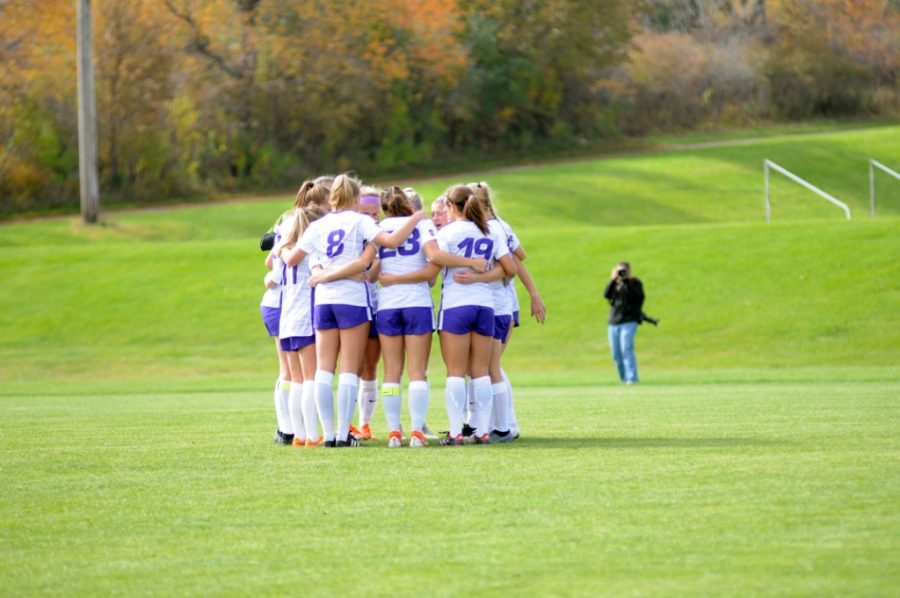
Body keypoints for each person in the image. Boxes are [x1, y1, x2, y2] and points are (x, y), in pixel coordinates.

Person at [282, 173, 426, 447]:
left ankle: (329, 435)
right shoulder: (360, 221)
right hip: (351, 299)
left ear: (332, 197)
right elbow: (393, 242)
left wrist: (318, 270)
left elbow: (293, 259)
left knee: (324, 370)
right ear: (356, 198)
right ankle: (341, 433)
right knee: (349, 369)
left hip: (323, 301)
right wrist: (416, 219)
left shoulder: (318, 225)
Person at [375, 187, 488, 447]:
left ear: (384, 208)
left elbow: (371, 266)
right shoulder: (423, 225)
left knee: (391, 372)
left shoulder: (379, 228)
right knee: (417, 372)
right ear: (407, 203)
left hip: (388, 304)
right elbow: (430, 270)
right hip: (416, 304)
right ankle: (416, 432)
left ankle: (394, 433)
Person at [435, 185, 516, 445]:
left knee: (456, 371)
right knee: (481, 371)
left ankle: (456, 431)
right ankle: (483, 431)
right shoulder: (491, 229)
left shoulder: (447, 232)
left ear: (450, 206)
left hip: (457, 305)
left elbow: (434, 262)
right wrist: (480, 276)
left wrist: (465, 269)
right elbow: (509, 268)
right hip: (485, 305)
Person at [272, 205, 326, 447]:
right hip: (306, 317)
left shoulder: (284, 252)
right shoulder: (310, 249)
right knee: (311, 379)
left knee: (297, 381)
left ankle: (299, 435)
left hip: (287, 318)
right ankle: (312, 435)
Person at [603, 261, 644, 384]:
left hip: (629, 321)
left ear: (629, 271)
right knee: (616, 353)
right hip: (613, 322)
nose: (622, 273)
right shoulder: (615, 283)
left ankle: (632, 378)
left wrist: (625, 281)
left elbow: (637, 297)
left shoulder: (634, 283)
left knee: (626, 349)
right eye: (619, 270)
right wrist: (613, 279)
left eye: (624, 271)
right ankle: (623, 378)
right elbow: (606, 295)